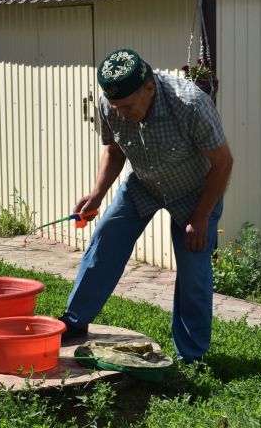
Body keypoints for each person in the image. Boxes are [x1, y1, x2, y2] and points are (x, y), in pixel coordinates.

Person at [59, 48, 233, 363]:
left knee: (193, 271)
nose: (121, 113)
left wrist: (202, 215)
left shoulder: (191, 105)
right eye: (116, 106)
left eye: (127, 106)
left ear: (149, 88)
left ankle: (191, 355)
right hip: (144, 184)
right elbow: (114, 152)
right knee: (105, 240)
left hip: (195, 192)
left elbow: (223, 163)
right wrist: (97, 194)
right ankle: (73, 322)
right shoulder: (109, 106)